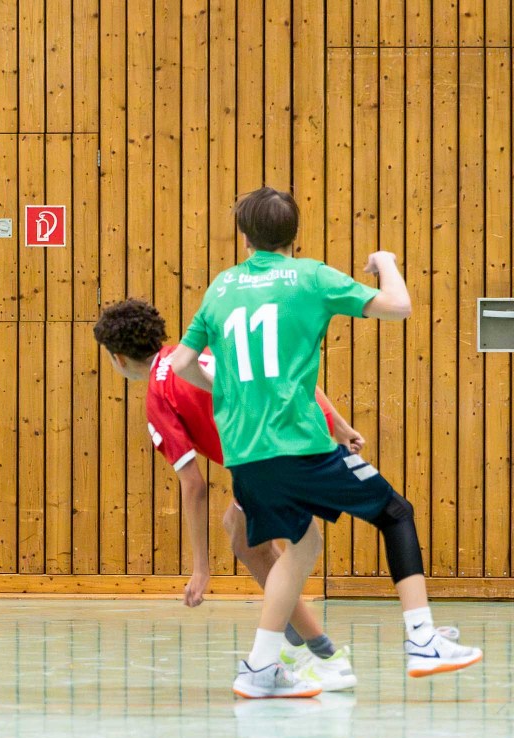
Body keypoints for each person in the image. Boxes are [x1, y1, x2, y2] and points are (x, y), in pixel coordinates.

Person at [169, 186, 482, 698]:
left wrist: (224, 388)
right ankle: (423, 639)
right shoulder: (309, 276)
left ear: (244, 237)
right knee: (395, 513)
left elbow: (182, 364)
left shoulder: (222, 287)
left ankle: (260, 669)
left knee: (302, 544)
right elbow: (399, 306)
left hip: (245, 454)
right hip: (299, 445)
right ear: (294, 237)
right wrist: (386, 262)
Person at [94, 298, 357, 691]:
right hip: (304, 431)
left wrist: (201, 569)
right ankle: (298, 640)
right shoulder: (196, 350)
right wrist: (338, 425)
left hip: (275, 451)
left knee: (253, 544)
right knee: (240, 529)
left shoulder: (158, 395)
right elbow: (285, 373)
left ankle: (324, 656)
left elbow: (194, 485)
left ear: (118, 358)